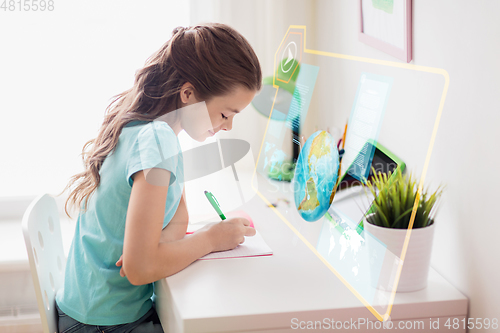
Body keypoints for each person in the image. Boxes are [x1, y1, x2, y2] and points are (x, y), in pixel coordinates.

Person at [55, 23, 261, 332]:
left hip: (93, 310)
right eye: (225, 114)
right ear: (188, 93)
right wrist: (211, 239)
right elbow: (140, 270)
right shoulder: (157, 140)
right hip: (104, 322)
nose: (228, 127)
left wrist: (153, 251)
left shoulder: (151, 130)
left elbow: (174, 226)